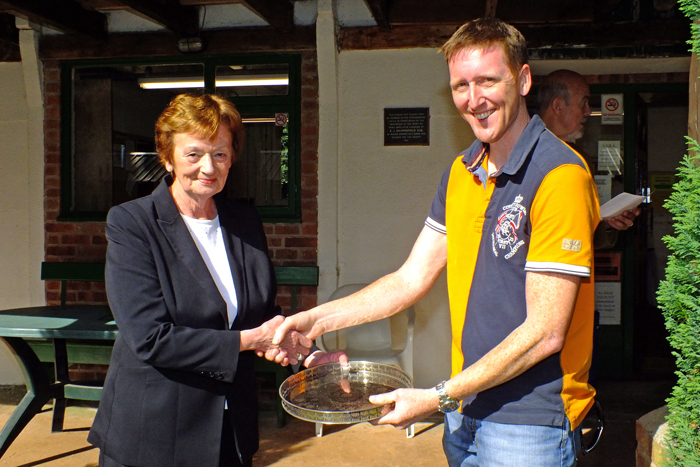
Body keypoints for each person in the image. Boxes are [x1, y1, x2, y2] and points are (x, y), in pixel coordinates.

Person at [274, 18, 598, 466]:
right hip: (467, 407)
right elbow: (410, 279)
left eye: (488, 80)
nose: (474, 99)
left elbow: (544, 333)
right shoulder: (461, 172)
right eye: (460, 85)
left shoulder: (559, 175)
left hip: (530, 419)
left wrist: (438, 396)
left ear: (522, 80)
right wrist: (314, 320)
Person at [87, 93, 342, 467]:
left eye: (220, 154)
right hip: (153, 437)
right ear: (167, 157)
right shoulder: (132, 223)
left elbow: (263, 317)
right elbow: (150, 337)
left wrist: (310, 355)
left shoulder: (244, 221)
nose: (209, 167)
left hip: (230, 432)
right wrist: (246, 341)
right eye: (194, 154)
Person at [537, 69, 640, 237]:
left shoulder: (580, 158)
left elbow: (579, 229)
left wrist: (607, 222)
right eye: (583, 103)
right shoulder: (520, 151)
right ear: (558, 106)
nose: (589, 111)